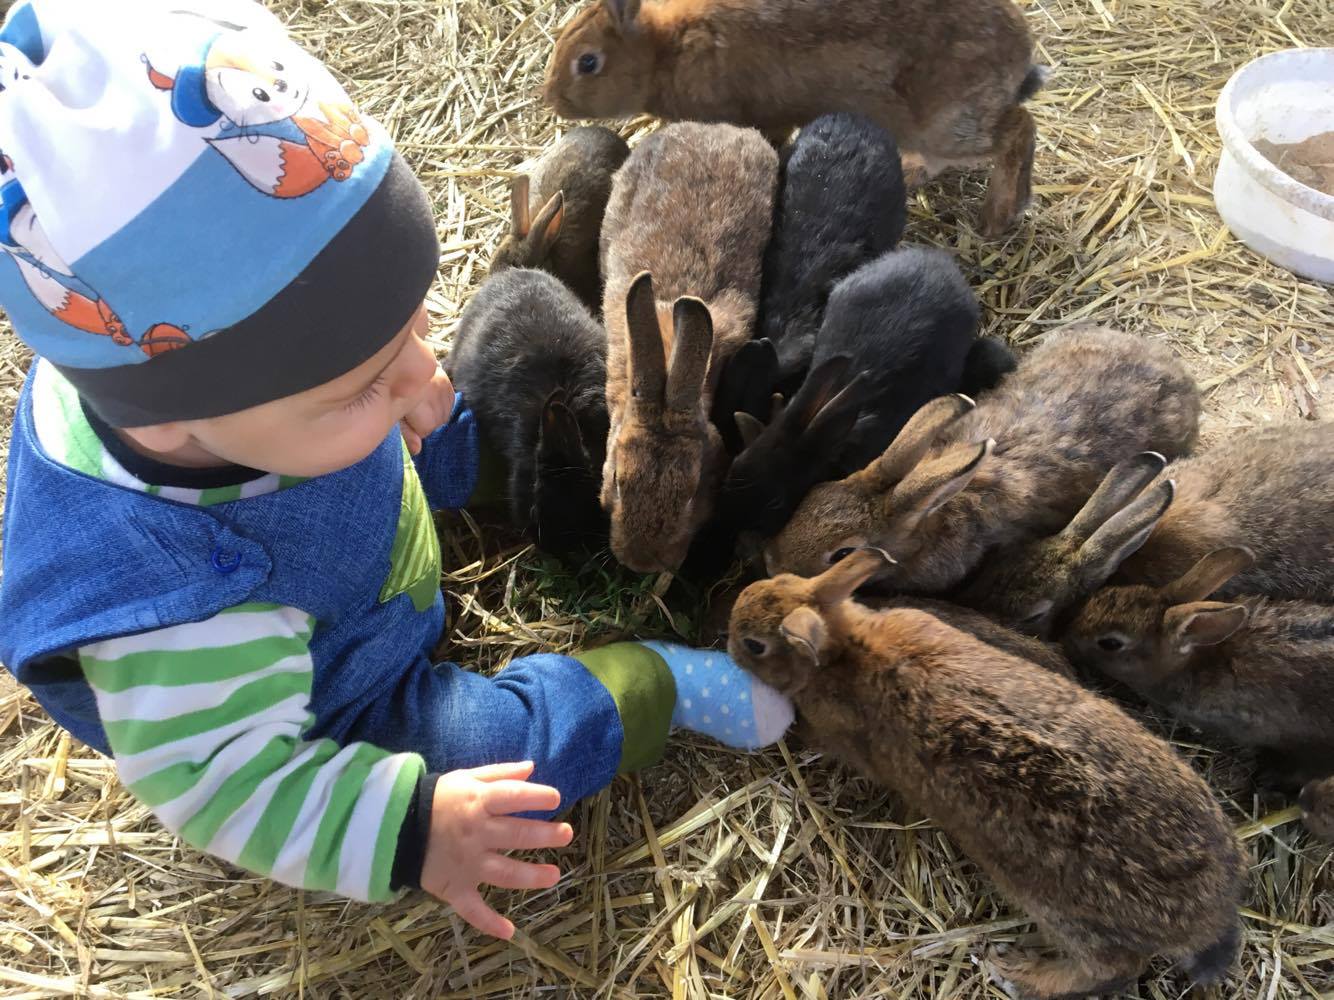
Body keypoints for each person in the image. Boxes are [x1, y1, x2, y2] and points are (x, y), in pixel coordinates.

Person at [0, 0, 793, 939]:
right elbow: (227, 789)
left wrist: (380, 394)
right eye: (370, 379)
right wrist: (413, 833)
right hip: (340, 689)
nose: (426, 373)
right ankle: (647, 688)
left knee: (492, 428)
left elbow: (367, 385)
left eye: (413, 327)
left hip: (357, 512)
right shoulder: (176, 624)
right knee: (495, 763)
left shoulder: (228, 394)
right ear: (172, 421)